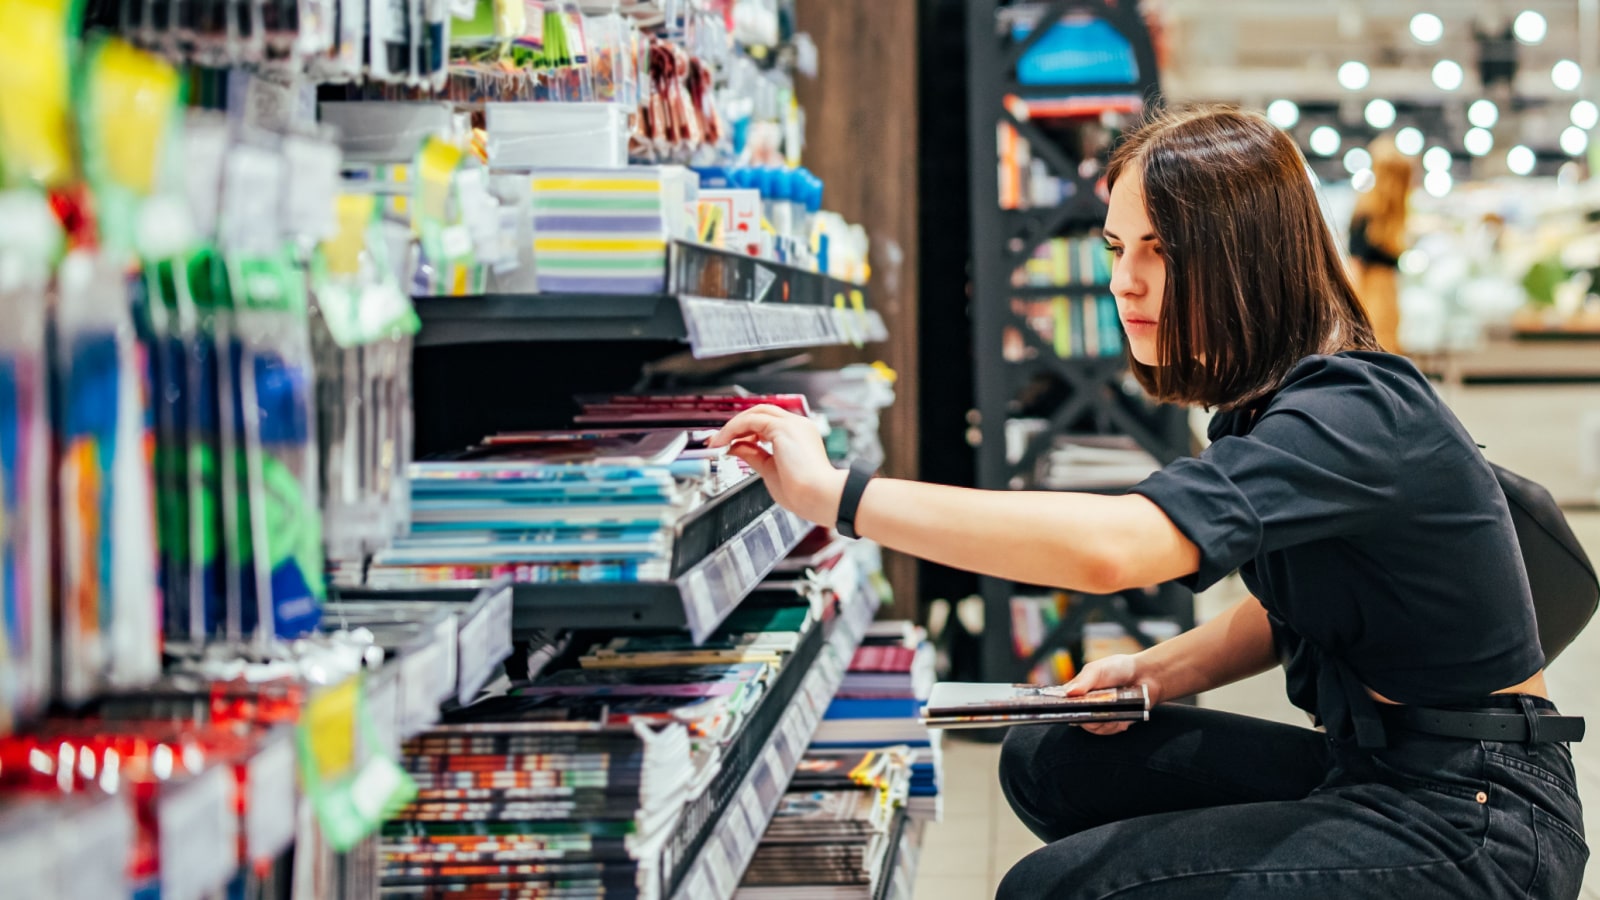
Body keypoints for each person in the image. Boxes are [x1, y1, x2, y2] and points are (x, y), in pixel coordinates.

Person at [710, 104, 1587, 898]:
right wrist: (1161, 671)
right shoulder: (1269, 407)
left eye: (1160, 249)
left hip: (1477, 818)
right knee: (1051, 759)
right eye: (1116, 248)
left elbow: (1114, 550)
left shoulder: (1355, 409)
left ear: (1244, 257)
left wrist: (840, 495)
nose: (1125, 280)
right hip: (1372, 766)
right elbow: (1303, 607)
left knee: (1056, 892)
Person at [1349, 135, 1415, 352]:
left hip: (1381, 288)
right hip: (1372, 287)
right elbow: (1357, 259)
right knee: (1377, 341)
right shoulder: (1371, 209)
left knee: (1380, 340)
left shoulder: (1381, 210)